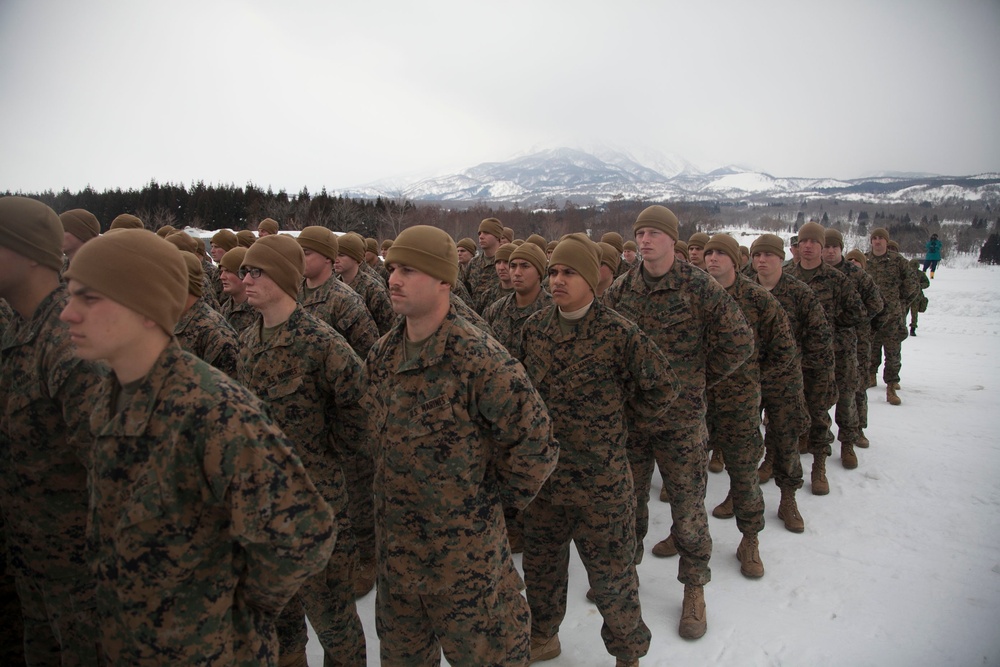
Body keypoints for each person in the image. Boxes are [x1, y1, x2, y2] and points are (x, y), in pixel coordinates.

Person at [60, 228, 336, 665]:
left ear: (145, 307)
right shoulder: (107, 397)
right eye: (70, 295)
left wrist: (229, 618)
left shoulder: (213, 410)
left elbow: (304, 535)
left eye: (90, 298)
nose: (68, 315)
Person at [366, 225, 557, 665]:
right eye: (392, 267)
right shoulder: (382, 356)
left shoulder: (478, 357)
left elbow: (537, 442)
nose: (393, 278)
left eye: (408, 269)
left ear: (443, 281)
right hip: (397, 563)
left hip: (464, 567)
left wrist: (489, 506)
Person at [519, 234, 676, 667]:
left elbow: (663, 386)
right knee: (542, 572)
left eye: (568, 272)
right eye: (553, 271)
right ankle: (543, 636)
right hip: (546, 486)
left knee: (613, 580)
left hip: (601, 488)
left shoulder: (619, 333)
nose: (557, 280)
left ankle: (628, 653)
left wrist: (623, 427)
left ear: (590, 278)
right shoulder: (534, 330)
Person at [603, 206, 753, 640]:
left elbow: (738, 341)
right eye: (640, 233)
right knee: (627, 505)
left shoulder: (698, 286)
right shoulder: (621, 290)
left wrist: (696, 380)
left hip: (682, 424)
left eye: (654, 233)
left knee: (688, 510)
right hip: (633, 423)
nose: (645, 240)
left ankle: (693, 588)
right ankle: (625, 578)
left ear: (672, 239)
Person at [236, 234, 369, 666]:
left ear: (281, 276)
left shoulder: (320, 342)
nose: (246, 279)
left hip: (317, 506)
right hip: (265, 506)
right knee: (280, 618)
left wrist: (330, 453)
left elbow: (362, 406)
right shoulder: (247, 342)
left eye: (256, 271)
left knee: (333, 619)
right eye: (244, 271)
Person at [0, 196, 105, 665]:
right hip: (28, 558)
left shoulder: (70, 339)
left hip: (78, 574)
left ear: (24, 254)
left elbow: (113, 467)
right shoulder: (18, 329)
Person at [703, 234, 800, 576]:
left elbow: (784, 352)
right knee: (687, 479)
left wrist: (756, 383)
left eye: (720, 254)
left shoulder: (757, 299)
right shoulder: (693, 296)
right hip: (698, 404)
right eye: (709, 253)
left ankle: (749, 541)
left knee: (745, 475)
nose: (712, 259)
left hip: (740, 405)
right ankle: (681, 533)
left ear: (735, 260)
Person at [751, 234, 832, 532]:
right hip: (749, 380)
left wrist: (803, 372)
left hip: (785, 380)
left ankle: (788, 500)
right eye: (757, 255)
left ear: (781, 257)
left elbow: (819, 339)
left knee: (787, 440)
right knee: (744, 441)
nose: (762, 260)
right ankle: (741, 493)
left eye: (768, 255)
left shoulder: (800, 293)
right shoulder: (743, 291)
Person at [786, 222, 866, 490]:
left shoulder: (837, 279)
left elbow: (858, 311)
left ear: (821, 246)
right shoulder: (787, 275)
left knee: (823, 409)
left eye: (813, 242)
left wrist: (830, 327)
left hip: (827, 357)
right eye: (803, 241)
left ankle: (822, 464)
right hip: (795, 357)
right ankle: (794, 449)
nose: (807, 246)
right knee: (793, 406)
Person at [823, 229, 885, 459]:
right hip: (817, 347)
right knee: (818, 394)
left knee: (850, 392)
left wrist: (850, 321)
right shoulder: (814, 272)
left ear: (840, 248)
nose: (830, 251)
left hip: (849, 345)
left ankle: (850, 438)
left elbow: (876, 303)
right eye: (826, 247)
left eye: (834, 247)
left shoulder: (855, 274)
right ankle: (816, 435)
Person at [866, 228, 919, 405]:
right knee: (870, 348)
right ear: (871, 241)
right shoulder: (865, 260)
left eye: (881, 238)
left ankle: (891, 385)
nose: (878, 241)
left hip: (892, 316)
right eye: (875, 238)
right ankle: (870, 375)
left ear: (886, 242)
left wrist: (900, 301)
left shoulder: (898, 261)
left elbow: (912, 286)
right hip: (872, 316)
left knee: (892, 352)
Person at [335, 232, 395, 335]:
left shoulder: (374, 289)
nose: (335, 259)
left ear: (356, 258)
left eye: (341, 255)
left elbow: (388, 329)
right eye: (334, 254)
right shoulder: (334, 285)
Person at [464, 217, 505, 313]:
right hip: (475, 318)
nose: (481, 237)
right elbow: (465, 291)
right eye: (479, 233)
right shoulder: (474, 263)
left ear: (497, 236)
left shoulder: (506, 263)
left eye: (486, 233)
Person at [218, 246, 256, 333]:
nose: (222, 277)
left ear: (243, 274)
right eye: (222, 272)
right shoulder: (225, 307)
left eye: (228, 271)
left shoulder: (258, 310)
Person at [908, 258, 930, 335]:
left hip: (916, 297)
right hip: (907, 296)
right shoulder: (905, 273)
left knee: (914, 314)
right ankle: (902, 327)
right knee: (903, 313)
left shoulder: (920, 274)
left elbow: (927, 283)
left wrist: (920, 286)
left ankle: (913, 329)